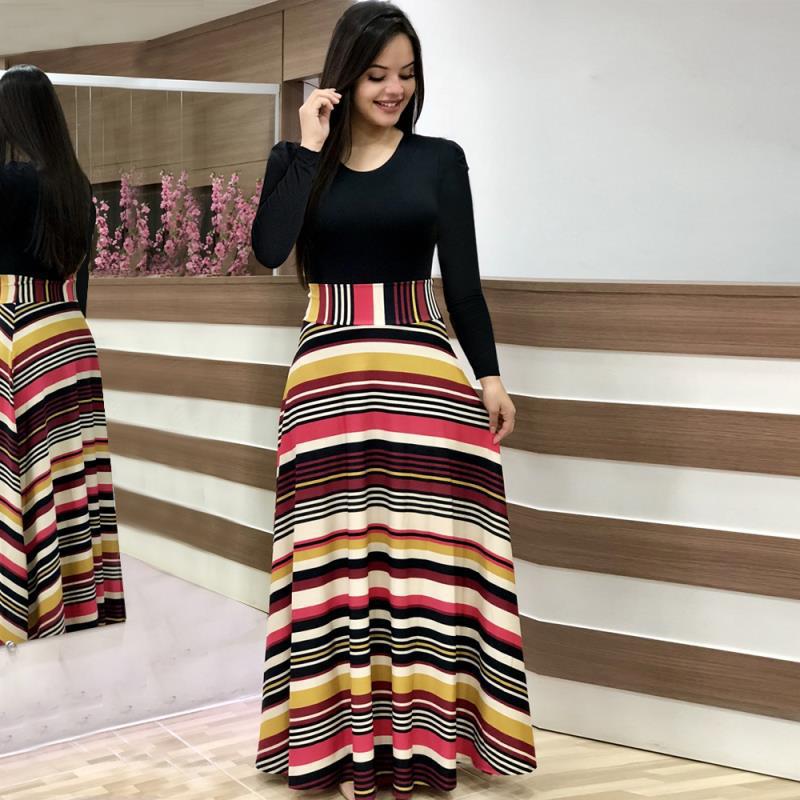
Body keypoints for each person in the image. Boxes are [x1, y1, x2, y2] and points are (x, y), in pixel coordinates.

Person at [251, 4, 535, 799]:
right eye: (377, 74)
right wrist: (308, 148)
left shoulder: (440, 159)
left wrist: (490, 375)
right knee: (335, 563)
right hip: (327, 385)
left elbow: (464, 284)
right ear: (345, 76)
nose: (394, 89)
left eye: (407, 75)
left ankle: (422, 745)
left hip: (423, 384)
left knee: (422, 566)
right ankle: (337, 745)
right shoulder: (297, 158)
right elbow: (269, 250)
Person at [0, 65, 125, 645]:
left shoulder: (9, 183)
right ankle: (75, 599)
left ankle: (23, 604)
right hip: (69, 337)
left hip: (17, 330)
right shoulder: (77, 187)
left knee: (19, 475)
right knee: (69, 473)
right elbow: (84, 285)